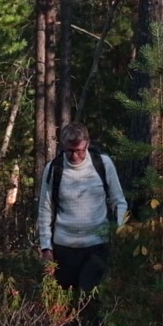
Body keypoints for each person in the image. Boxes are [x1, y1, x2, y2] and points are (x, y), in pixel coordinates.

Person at [37, 122, 128, 292]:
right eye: (70, 151)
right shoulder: (53, 169)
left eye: (79, 150)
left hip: (97, 246)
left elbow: (119, 201)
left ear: (87, 143)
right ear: (63, 146)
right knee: (66, 301)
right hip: (64, 249)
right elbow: (45, 209)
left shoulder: (103, 164)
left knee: (89, 296)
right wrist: (46, 247)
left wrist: (119, 230)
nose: (75, 155)